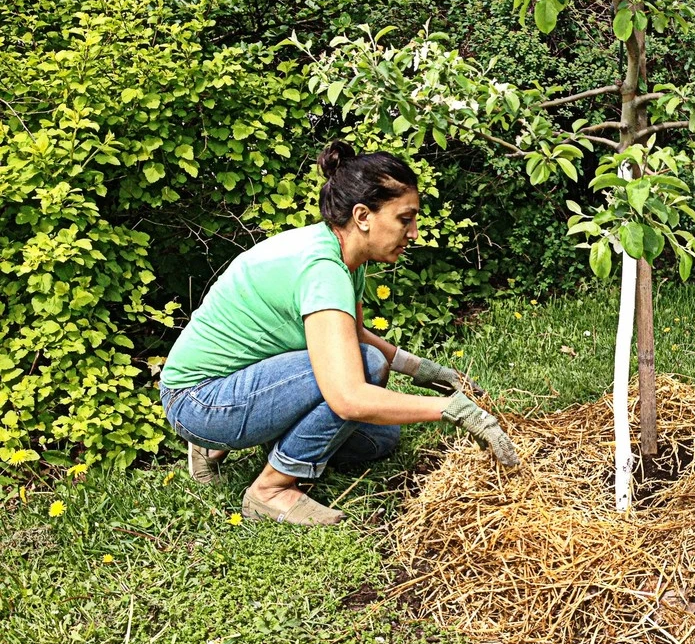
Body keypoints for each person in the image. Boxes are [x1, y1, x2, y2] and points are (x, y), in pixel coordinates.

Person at [158, 141, 519, 526]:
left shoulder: (344, 253)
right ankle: (269, 491)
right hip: (199, 401)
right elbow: (347, 397)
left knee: (381, 440)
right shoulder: (322, 269)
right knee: (364, 370)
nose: (413, 233)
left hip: (245, 386)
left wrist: (426, 371)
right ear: (363, 215)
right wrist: (456, 411)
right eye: (404, 219)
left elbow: (355, 333)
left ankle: (250, 444)